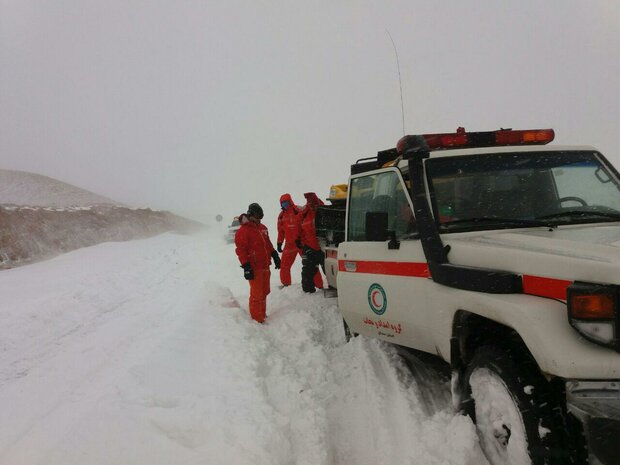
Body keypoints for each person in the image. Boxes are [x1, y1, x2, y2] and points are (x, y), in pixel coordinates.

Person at [234, 203, 281, 323]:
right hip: (255, 268)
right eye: (258, 216)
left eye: (261, 217)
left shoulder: (262, 227)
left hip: (265, 266)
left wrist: (275, 255)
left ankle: (262, 315)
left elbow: (268, 244)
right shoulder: (243, 231)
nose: (260, 219)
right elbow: (241, 250)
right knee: (257, 295)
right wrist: (246, 266)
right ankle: (257, 320)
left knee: (265, 292)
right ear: (252, 214)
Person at [298, 192, 325, 293]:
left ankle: (336, 290)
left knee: (329, 270)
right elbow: (300, 229)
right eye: (310, 205)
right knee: (307, 272)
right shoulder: (304, 214)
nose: (312, 207)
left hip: (323, 247)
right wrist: (300, 240)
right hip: (309, 247)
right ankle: (308, 293)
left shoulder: (324, 212)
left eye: (314, 205)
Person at [276, 193, 302, 287]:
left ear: (290, 201)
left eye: (286, 203)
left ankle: (318, 284)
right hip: (289, 244)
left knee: (310, 264)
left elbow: (304, 227)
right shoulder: (281, 216)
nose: (284, 205)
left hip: (301, 242)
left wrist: (301, 238)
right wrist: (279, 242)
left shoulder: (298, 211)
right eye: (282, 203)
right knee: (284, 266)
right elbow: (281, 231)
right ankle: (286, 284)